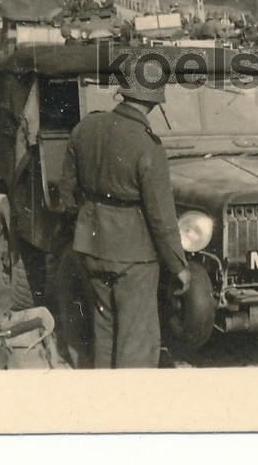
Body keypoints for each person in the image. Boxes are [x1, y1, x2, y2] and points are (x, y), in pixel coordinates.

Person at [59, 83, 191, 369]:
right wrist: (178, 266)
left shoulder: (85, 128)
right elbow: (161, 217)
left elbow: (66, 191)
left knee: (104, 331)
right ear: (154, 103)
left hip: (91, 246)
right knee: (136, 340)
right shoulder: (148, 146)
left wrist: (84, 225)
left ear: (124, 94)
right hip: (134, 257)